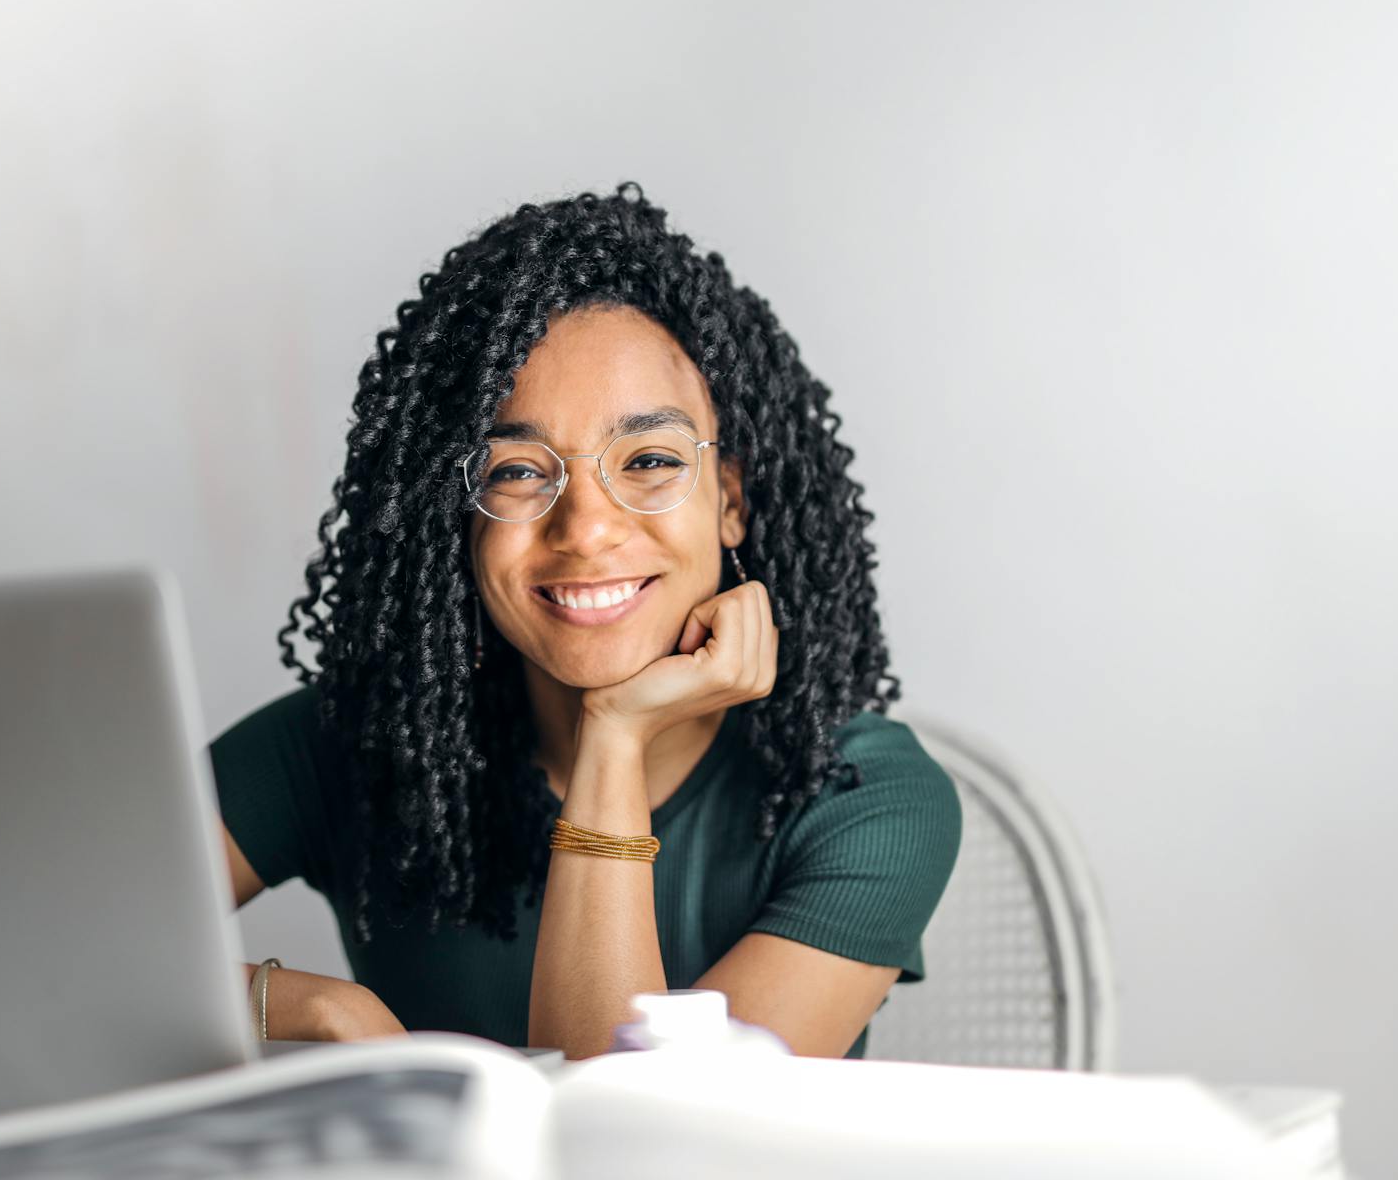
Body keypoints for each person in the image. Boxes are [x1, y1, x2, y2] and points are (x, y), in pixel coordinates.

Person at [212, 183, 961, 1060]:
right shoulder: (354, 741)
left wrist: (614, 735)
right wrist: (306, 1007)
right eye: (518, 472)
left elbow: (636, 1146)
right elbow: (32, 951)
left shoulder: (861, 796)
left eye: (648, 460)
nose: (588, 528)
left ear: (731, 500)